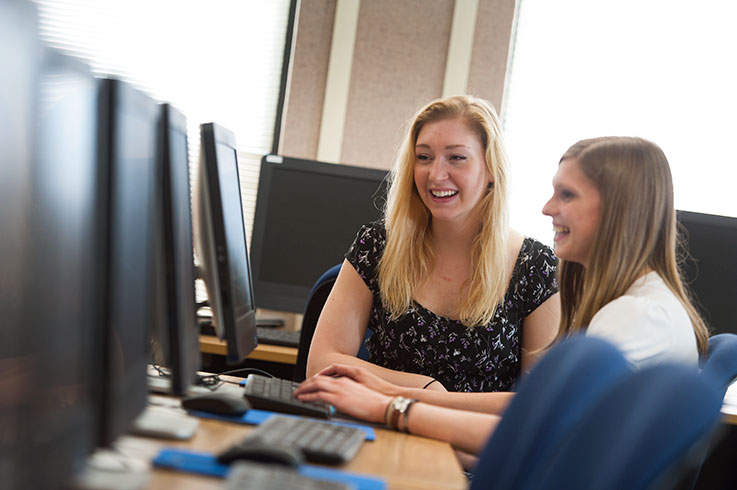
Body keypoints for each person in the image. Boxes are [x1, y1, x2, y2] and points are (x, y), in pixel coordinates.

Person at [295, 136, 710, 456]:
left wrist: (392, 409)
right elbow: (536, 409)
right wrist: (397, 394)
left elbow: (537, 435)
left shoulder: (639, 319)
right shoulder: (632, 309)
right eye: (424, 157)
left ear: (619, 209)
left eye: (567, 195)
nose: (548, 208)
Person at [306, 95, 561, 399]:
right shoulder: (376, 246)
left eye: (456, 158)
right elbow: (321, 362)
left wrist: (432, 402)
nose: (436, 174)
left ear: (491, 169)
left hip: (469, 443)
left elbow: (541, 403)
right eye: (424, 157)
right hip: (382, 430)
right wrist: (422, 386)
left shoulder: (537, 267)